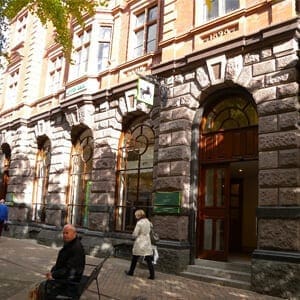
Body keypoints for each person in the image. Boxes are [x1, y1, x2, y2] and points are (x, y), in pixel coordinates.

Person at [37, 224, 86, 299]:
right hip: (68, 276)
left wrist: (53, 275)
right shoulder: (72, 243)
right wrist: (53, 272)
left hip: (70, 282)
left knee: (42, 286)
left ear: (74, 234)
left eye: (67, 233)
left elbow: (68, 270)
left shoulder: (75, 248)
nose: (64, 235)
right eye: (63, 233)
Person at [125, 209, 155, 280]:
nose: (135, 217)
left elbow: (135, 234)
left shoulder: (139, 223)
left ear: (138, 215)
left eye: (136, 215)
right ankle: (152, 275)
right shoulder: (148, 222)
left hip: (140, 241)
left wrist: (132, 236)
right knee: (148, 259)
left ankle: (131, 272)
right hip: (147, 241)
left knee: (135, 258)